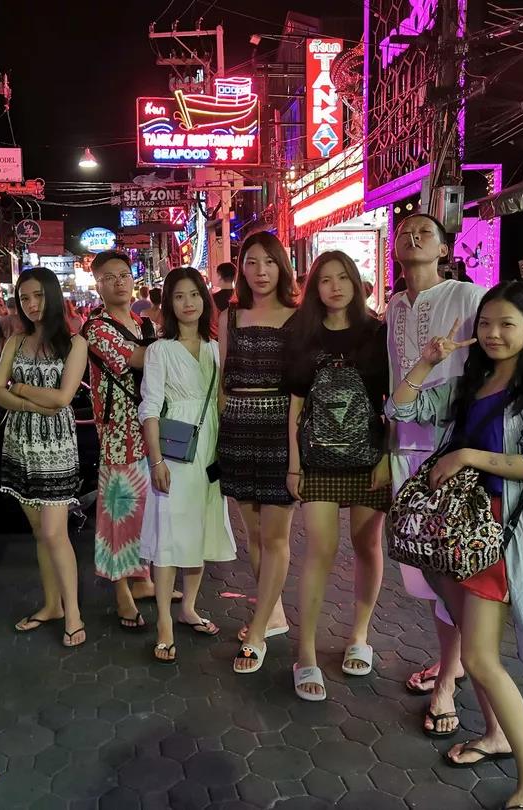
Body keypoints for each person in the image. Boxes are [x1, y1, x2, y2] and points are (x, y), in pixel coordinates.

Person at [386, 281, 523, 810]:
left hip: (496, 536)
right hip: (454, 533)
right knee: (472, 642)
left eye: (507, 324)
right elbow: (401, 410)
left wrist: (466, 456)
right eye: (485, 323)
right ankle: (494, 736)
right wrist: (425, 361)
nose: (493, 333)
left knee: (481, 658)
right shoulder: (471, 382)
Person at [284, 251, 391, 700]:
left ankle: (360, 635)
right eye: (325, 279)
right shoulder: (301, 333)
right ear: (314, 287)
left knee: (367, 545)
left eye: (343, 277)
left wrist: (387, 457)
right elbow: (295, 404)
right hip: (318, 459)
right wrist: (294, 463)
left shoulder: (378, 333)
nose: (335, 287)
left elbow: (392, 400)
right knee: (320, 550)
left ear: (356, 282)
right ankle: (305, 653)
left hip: (369, 456)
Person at [139, 268, 237, 663]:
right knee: (169, 535)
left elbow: (225, 400)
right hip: (175, 452)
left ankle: (189, 607)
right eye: (179, 296)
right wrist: (156, 459)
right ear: (169, 304)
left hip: (211, 449)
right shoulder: (160, 350)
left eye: (194, 294)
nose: (188, 303)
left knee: (200, 531)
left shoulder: (216, 347)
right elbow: (149, 408)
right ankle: (164, 620)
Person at [0, 267, 89, 648]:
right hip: (20, 444)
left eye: (38, 296)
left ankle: (74, 613)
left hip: (56, 447)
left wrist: (18, 389)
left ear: (52, 295)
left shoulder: (74, 343)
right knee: (39, 532)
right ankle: (52, 605)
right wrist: (30, 400)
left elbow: (63, 398)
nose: (32, 304)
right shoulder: (15, 341)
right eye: (24, 298)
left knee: (54, 532)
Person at [220, 231, 300, 675]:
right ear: (242, 269)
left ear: (281, 267)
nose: (261, 271)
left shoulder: (298, 316)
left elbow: (301, 390)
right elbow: (223, 381)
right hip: (237, 427)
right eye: (251, 262)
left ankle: (257, 632)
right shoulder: (230, 316)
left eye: (269, 262)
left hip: (279, 428)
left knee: (275, 536)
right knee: (253, 533)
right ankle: (272, 613)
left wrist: (297, 456)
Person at [83, 251, 163, 632]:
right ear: (98, 285)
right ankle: (121, 592)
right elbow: (139, 359)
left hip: (151, 430)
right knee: (119, 513)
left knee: (147, 510)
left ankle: (143, 579)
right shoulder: (96, 328)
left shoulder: (144, 323)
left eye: (124, 275)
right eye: (109, 277)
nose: (119, 282)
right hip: (119, 432)